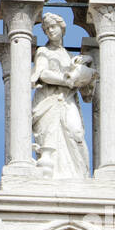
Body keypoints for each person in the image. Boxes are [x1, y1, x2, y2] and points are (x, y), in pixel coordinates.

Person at [31, 12, 95, 179]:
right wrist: (66, 79)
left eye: (53, 27)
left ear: (61, 28)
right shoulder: (43, 51)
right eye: (46, 29)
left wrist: (85, 67)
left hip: (67, 100)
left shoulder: (69, 56)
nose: (50, 31)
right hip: (50, 100)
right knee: (51, 137)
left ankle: (79, 174)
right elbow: (42, 73)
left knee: (76, 133)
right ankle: (53, 173)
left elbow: (85, 91)